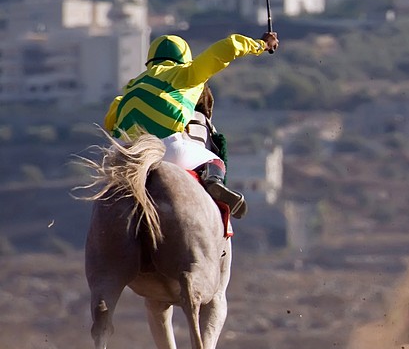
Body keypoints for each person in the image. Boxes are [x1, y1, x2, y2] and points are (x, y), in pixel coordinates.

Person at [103, 31, 279, 219]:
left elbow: (110, 122)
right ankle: (214, 182)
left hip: (123, 156)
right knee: (214, 160)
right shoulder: (188, 73)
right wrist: (261, 44)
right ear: (184, 59)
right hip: (166, 150)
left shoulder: (132, 86)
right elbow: (226, 48)